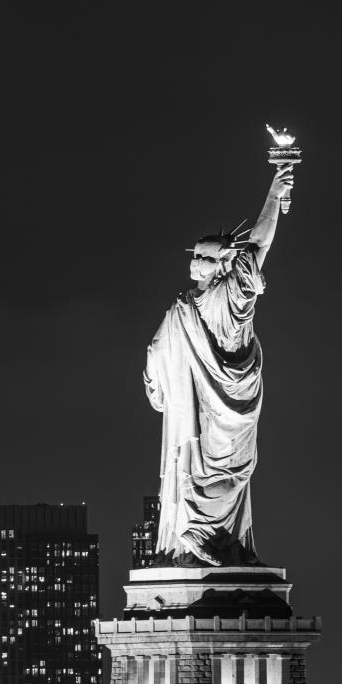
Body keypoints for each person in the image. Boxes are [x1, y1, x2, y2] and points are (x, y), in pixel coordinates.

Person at [143, 161, 294, 565]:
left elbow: (258, 246)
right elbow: (157, 354)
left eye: (203, 259)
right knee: (214, 468)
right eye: (197, 258)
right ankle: (198, 539)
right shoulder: (190, 307)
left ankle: (214, 540)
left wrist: (275, 196)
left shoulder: (211, 301)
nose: (196, 264)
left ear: (217, 264)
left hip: (216, 406)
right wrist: (275, 194)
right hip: (223, 405)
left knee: (217, 469)